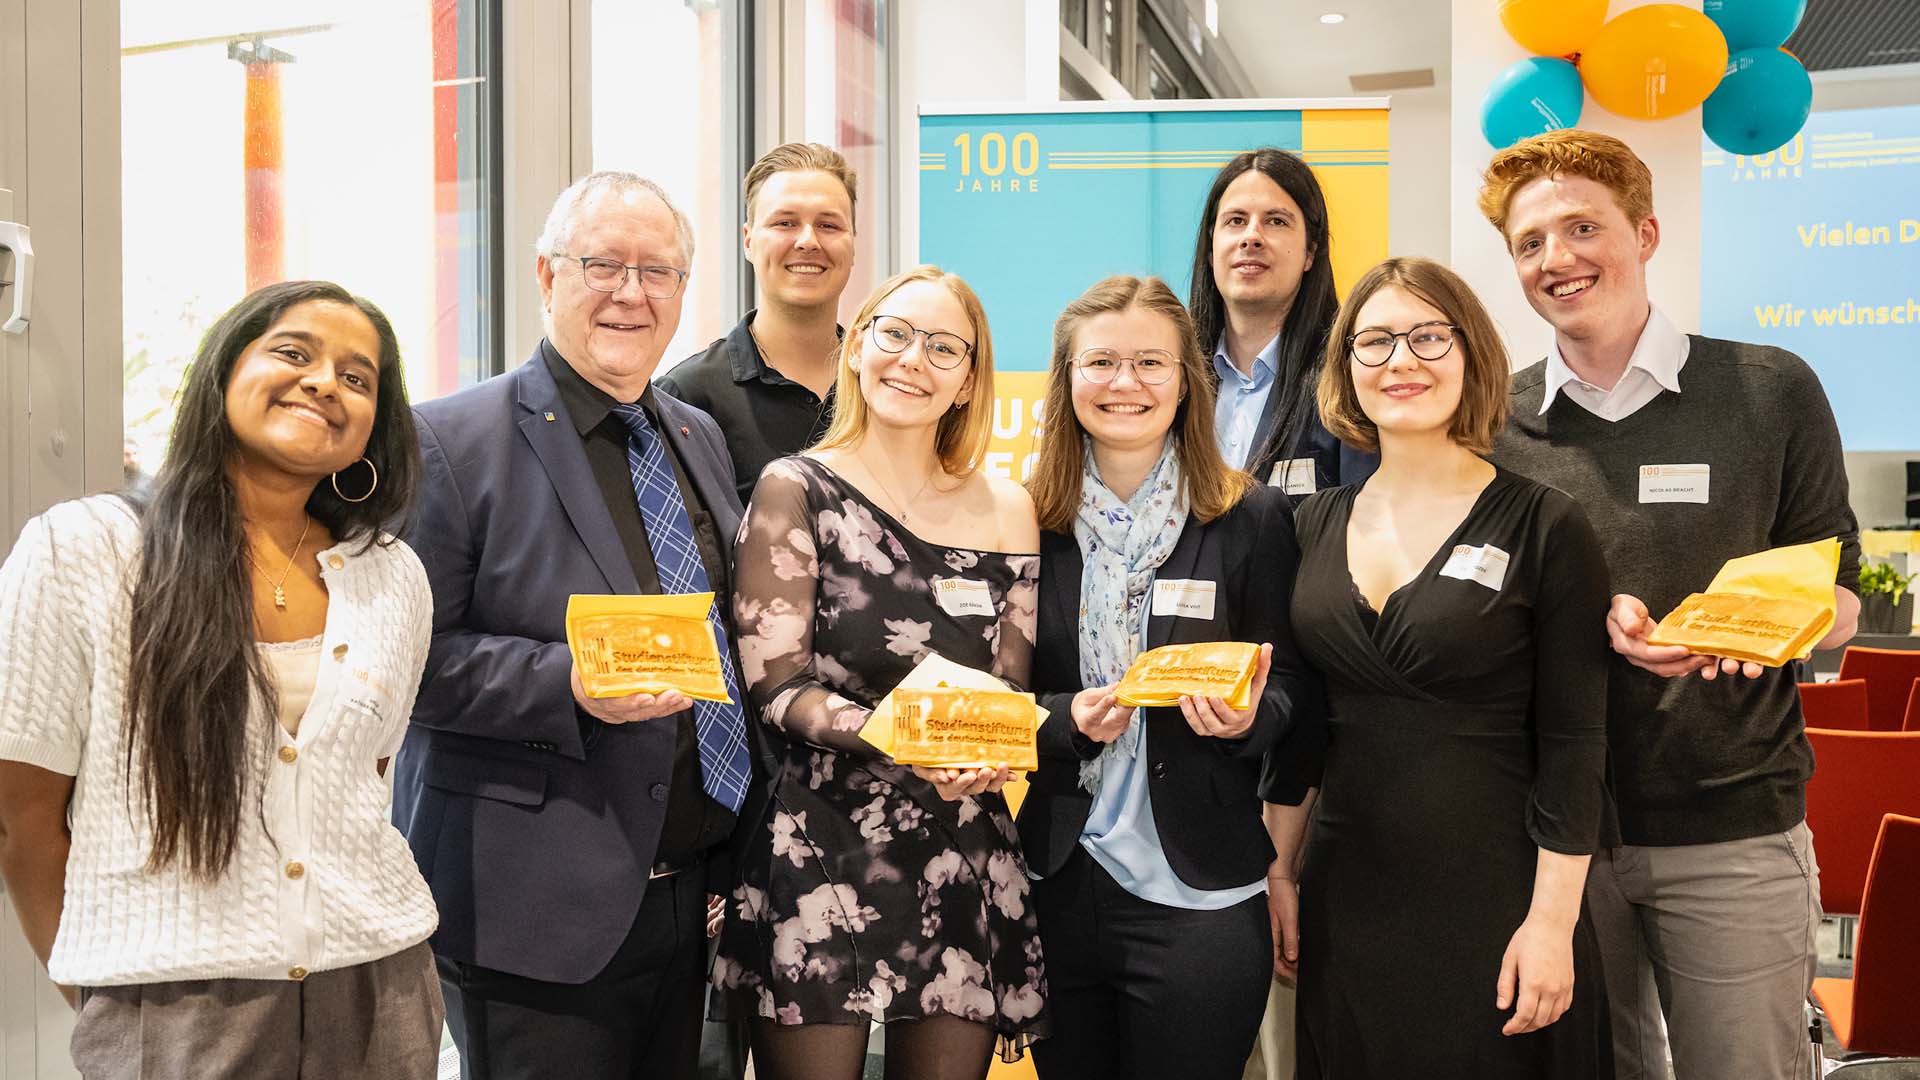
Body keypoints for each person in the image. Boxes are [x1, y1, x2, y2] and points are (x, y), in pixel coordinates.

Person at [1481, 129, 1860, 1080]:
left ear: (1644, 233)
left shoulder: (1769, 391)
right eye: (1530, 243)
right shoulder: (1495, 425)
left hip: (1733, 822)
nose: (1556, 259)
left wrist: (1768, 634)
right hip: (1558, 839)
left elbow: (1842, 596)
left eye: (1582, 227)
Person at [0, 281, 441, 1078]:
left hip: (384, 990)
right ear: (222, 371)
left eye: (357, 377)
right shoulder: (83, 549)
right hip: (172, 1009)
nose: (323, 383)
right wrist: (100, 991)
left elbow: (366, 786)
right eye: (294, 352)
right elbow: (22, 815)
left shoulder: (393, 576)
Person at [393, 172, 764, 1079]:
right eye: (603, 264)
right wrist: (569, 684)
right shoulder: (446, 440)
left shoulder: (695, 434)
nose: (631, 292)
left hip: (686, 896)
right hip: (535, 907)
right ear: (546, 275)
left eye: (658, 271)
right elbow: (407, 662)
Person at [715, 265, 1046, 1080]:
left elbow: (1007, 689)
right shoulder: (795, 488)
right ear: (858, 344)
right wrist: (909, 738)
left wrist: (997, 748)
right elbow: (776, 685)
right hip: (819, 850)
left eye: (943, 347)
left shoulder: (1009, 506)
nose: (913, 360)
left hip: (961, 850)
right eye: (894, 334)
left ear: (970, 380)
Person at [1291, 257, 1614, 1078]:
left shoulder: (1546, 524)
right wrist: (1275, 872)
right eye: (1376, 342)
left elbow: (1576, 744)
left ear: (1471, 354)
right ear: (1346, 369)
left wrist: (1551, 924)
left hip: (1499, 895)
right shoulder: (1308, 526)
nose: (1402, 360)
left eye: (1429, 336)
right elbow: (1299, 731)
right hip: (1349, 893)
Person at [1016, 275, 1322, 1080]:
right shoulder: (1022, 521)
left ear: (1188, 379)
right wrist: (1063, 718)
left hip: (1203, 889)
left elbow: (1294, 684)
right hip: (1057, 878)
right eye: (1102, 362)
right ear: (1067, 378)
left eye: (1151, 362)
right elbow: (997, 691)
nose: (1125, 383)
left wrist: (1249, 720)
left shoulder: (1248, 516)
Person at [658, 142, 857, 504]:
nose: (808, 241)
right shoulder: (686, 398)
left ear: (853, 244)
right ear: (749, 241)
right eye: (785, 223)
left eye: (828, 225)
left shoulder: (884, 385)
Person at [1188, 147, 1376, 497]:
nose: (1251, 237)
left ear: (1310, 251)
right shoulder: (1171, 377)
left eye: (1276, 221)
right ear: (1212, 249)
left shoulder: (1349, 379)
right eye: (1235, 221)